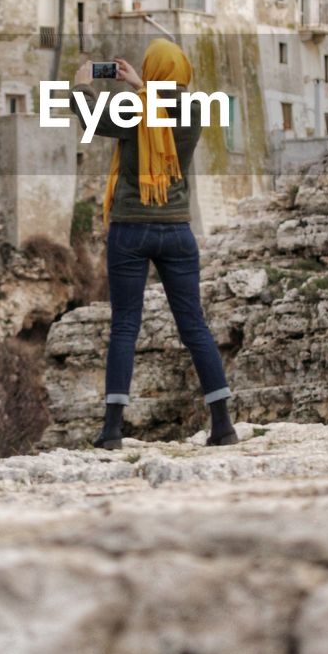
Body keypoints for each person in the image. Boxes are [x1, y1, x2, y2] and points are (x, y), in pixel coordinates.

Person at [71, 38, 239, 449]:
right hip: (178, 231)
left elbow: (92, 119)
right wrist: (142, 84)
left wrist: (81, 84)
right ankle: (223, 425)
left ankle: (112, 431)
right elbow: (165, 105)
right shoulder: (196, 111)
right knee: (194, 326)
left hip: (131, 228)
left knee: (125, 325)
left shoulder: (134, 110)